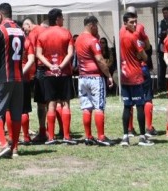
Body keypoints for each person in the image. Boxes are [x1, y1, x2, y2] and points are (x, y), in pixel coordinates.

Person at [0, 3, 26, 159]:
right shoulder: (20, 30)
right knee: (16, 113)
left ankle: (3, 143)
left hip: (3, 76)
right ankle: (15, 148)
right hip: (18, 77)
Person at [37, 8, 76, 146]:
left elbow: (39, 54)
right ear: (58, 19)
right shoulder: (66, 33)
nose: (63, 20)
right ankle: (66, 136)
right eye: (62, 18)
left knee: (51, 104)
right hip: (64, 72)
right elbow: (70, 53)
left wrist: (50, 66)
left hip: (49, 73)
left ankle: (51, 137)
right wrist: (60, 66)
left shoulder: (42, 35)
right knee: (65, 103)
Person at [75, 16, 113, 146]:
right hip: (95, 77)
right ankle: (101, 136)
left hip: (83, 77)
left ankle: (88, 136)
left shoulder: (78, 39)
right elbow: (100, 60)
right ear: (92, 25)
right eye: (96, 26)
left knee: (86, 107)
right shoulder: (92, 40)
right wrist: (108, 75)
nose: (97, 28)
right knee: (99, 107)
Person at [119, 12, 153, 147]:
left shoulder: (121, 33)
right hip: (135, 75)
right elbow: (144, 56)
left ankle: (125, 137)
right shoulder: (133, 37)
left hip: (124, 75)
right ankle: (142, 137)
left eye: (135, 22)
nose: (134, 24)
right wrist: (142, 55)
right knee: (140, 106)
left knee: (127, 106)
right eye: (132, 22)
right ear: (125, 23)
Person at [20, 17, 41, 145]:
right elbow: (31, 59)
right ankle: (26, 136)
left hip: (11, 78)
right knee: (24, 109)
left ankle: (12, 137)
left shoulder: (8, 42)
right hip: (24, 78)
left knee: (10, 110)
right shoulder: (27, 42)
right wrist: (22, 72)